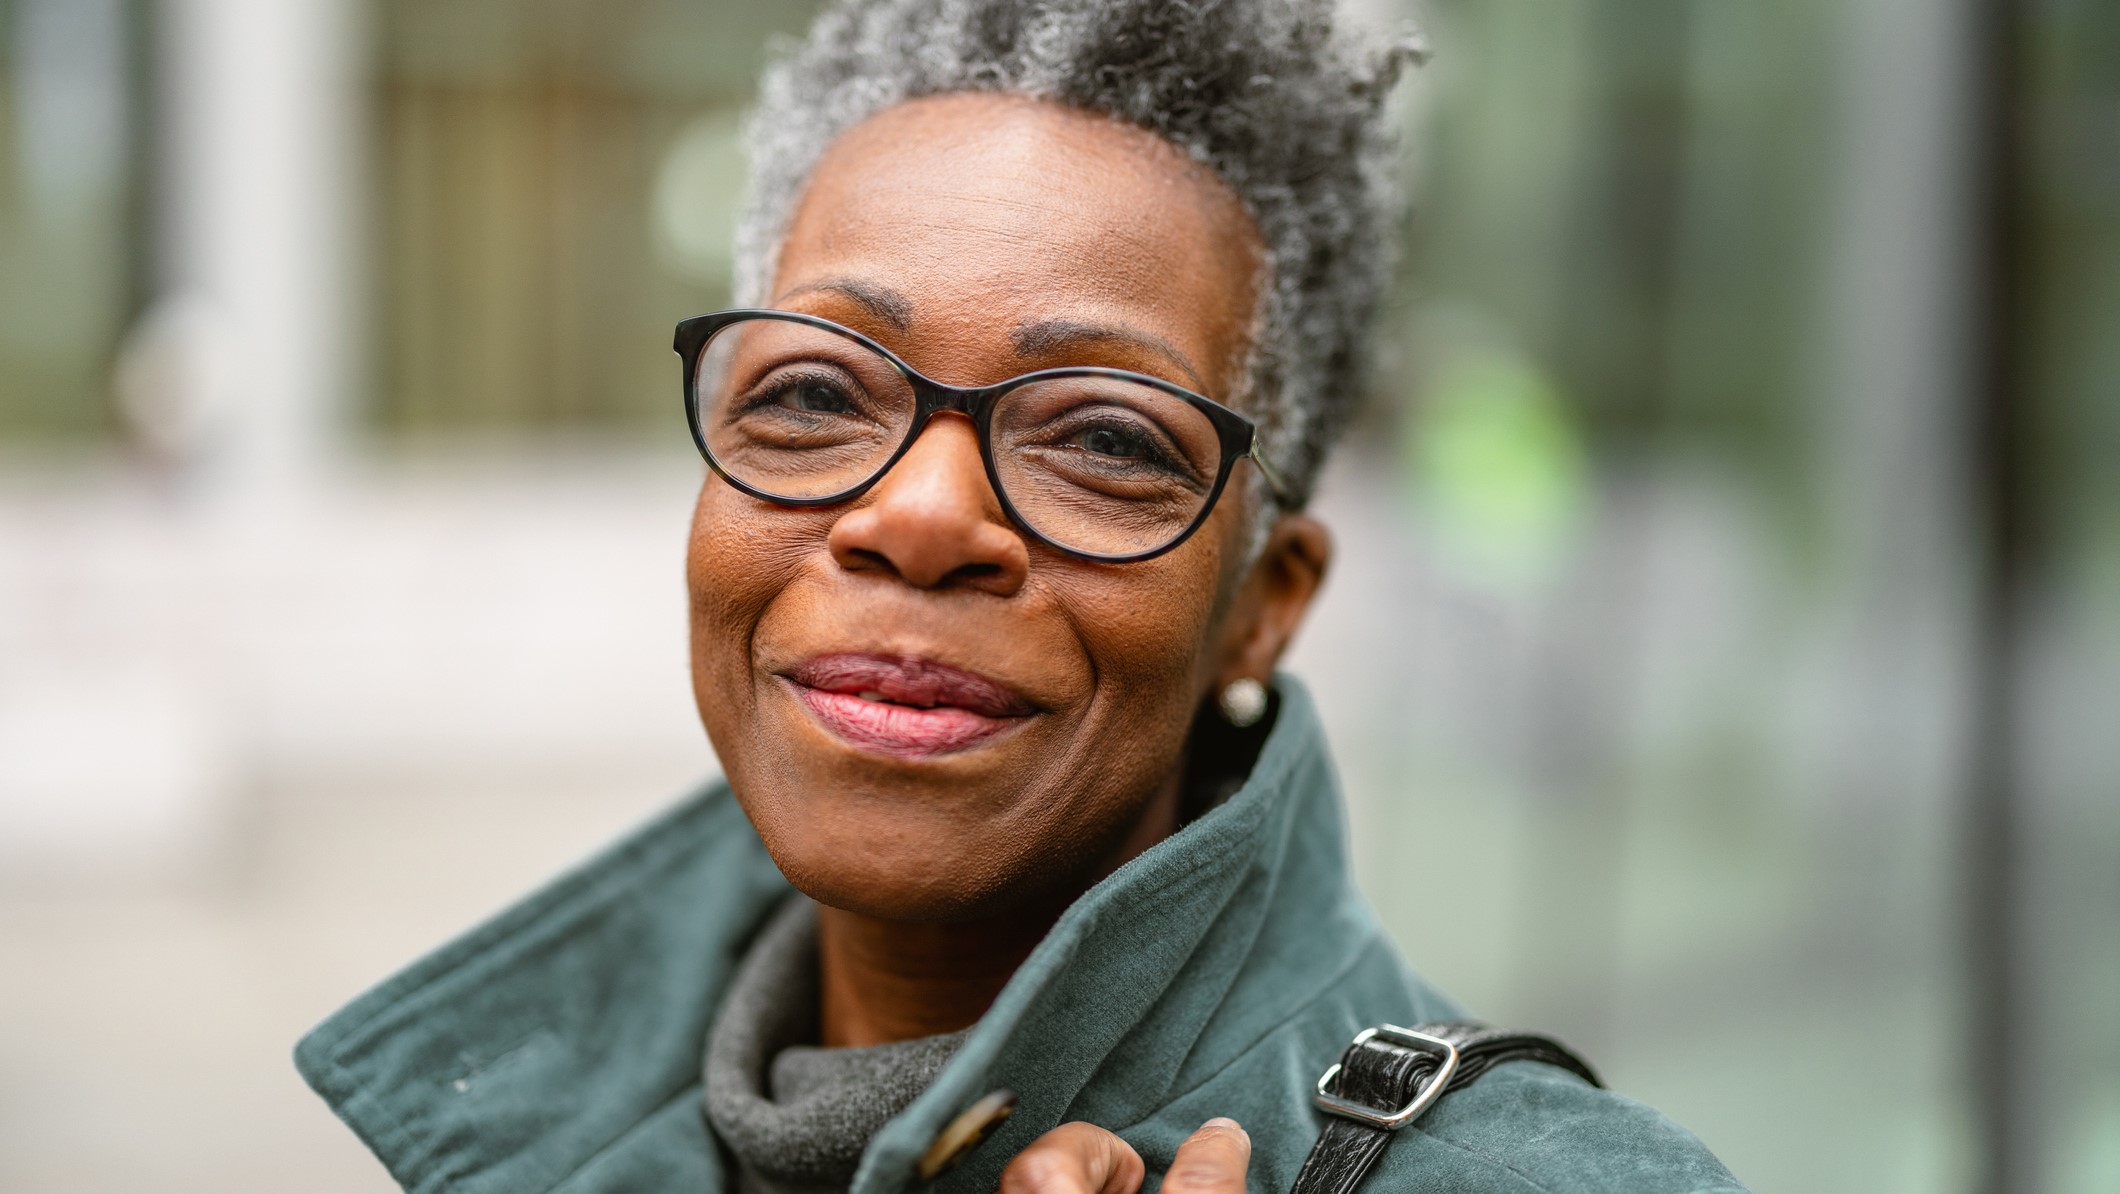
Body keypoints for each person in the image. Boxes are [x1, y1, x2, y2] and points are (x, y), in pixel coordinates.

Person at [296, 3, 1747, 1192]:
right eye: (813, 394)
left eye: (1106, 437)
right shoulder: (541, 1118)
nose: (921, 517)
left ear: (1265, 600)